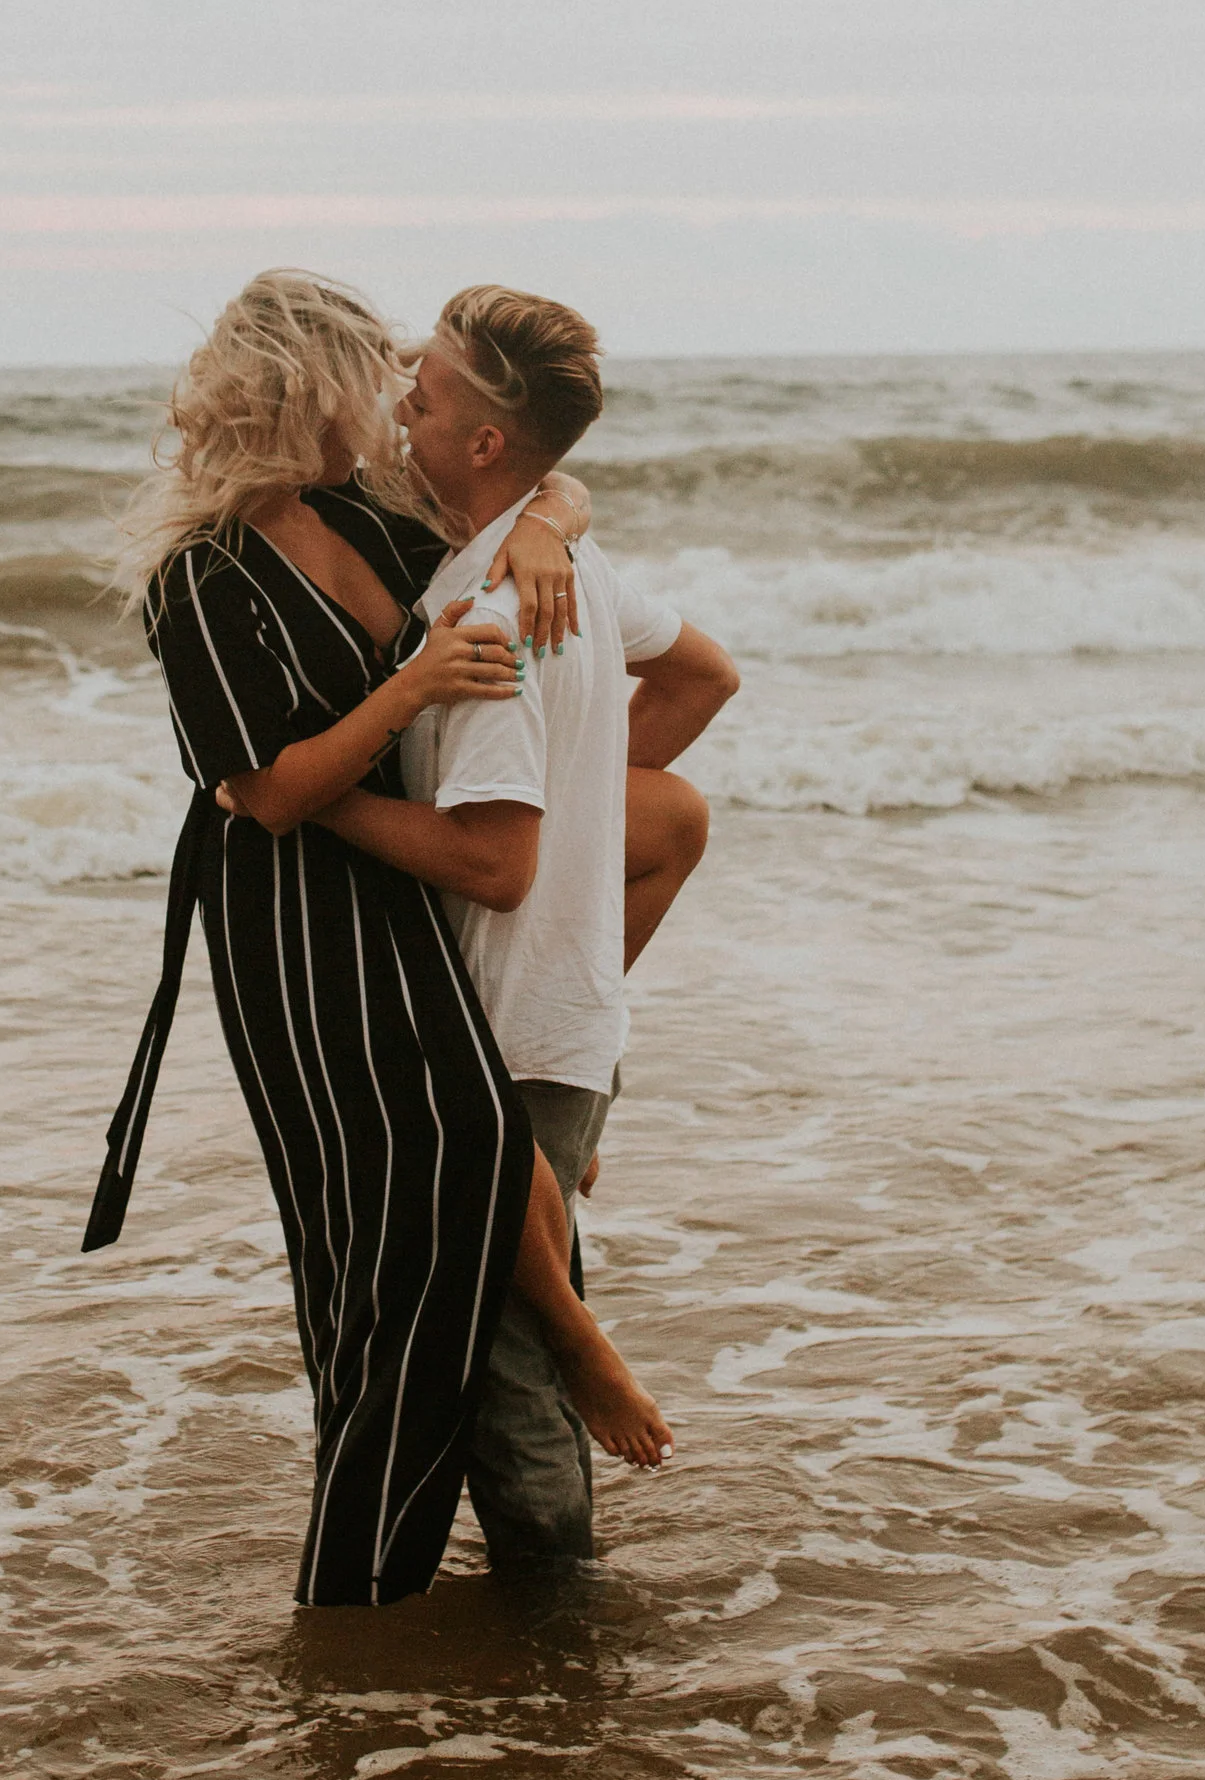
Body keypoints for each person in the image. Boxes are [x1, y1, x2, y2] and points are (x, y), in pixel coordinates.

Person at [91, 270, 652, 1608]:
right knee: (384, 1266)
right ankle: (356, 1609)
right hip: (300, 933)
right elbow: (270, 789)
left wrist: (550, 532)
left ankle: (430, 1615)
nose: (398, 398)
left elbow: (531, 489)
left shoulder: (370, 516)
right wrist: (410, 683)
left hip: (405, 906)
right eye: (371, 375)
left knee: (452, 1182)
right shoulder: (201, 576)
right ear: (301, 391)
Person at [315, 288, 740, 1569]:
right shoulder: (562, 566)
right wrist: (575, 789)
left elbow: (493, 870)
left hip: (500, 1023)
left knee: (508, 1373)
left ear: (487, 443)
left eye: (427, 395)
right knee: (521, 1340)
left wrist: (313, 802)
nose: (402, 405)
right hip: (567, 1013)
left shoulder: (490, 612)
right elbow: (705, 675)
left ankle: (564, 1655)